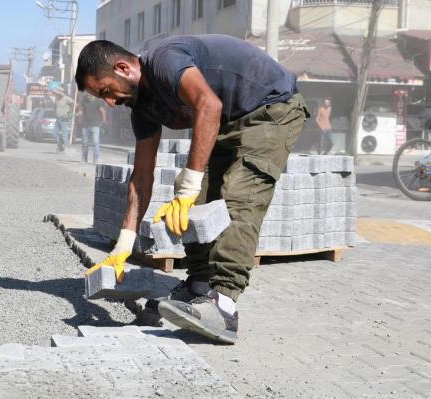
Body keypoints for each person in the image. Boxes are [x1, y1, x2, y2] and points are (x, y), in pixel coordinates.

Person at [75, 35, 308, 344]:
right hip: (229, 121)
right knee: (192, 200)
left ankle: (223, 304)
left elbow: (208, 104)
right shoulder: (143, 108)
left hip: (271, 109)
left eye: (106, 90)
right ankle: (198, 287)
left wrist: (188, 186)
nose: (109, 102)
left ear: (123, 68)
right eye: (101, 97)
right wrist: (123, 245)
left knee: (239, 197)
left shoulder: (164, 60)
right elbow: (142, 176)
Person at [78, 94, 106, 164]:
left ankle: (95, 159)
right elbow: (82, 111)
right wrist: (78, 114)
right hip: (85, 125)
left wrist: (104, 122)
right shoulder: (84, 101)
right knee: (85, 143)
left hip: (95, 125)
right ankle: (84, 159)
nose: (88, 95)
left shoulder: (97, 102)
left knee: (95, 142)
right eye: (87, 94)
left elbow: (103, 111)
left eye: (89, 94)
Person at [53, 87, 75, 152]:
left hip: (64, 119)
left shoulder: (66, 98)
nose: (55, 94)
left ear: (60, 93)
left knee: (64, 135)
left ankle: (67, 148)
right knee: (54, 133)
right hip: (58, 119)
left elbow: (75, 104)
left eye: (57, 93)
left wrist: (70, 113)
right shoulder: (56, 99)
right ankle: (60, 145)